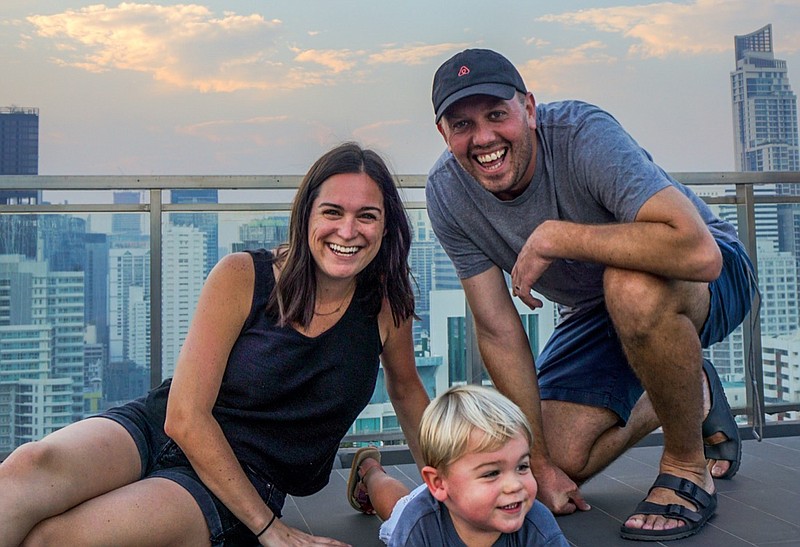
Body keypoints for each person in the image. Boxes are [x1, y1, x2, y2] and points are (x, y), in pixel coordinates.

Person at [0, 142, 431, 547]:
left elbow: (408, 392)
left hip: (242, 479)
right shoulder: (243, 275)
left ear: (386, 225)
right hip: (158, 430)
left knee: (56, 539)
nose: (348, 229)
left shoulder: (386, 306)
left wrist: (449, 482)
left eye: (367, 216)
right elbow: (184, 416)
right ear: (306, 217)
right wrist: (270, 531)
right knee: (26, 468)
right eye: (332, 211)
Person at [425, 48, 758, 542]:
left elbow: (698, 253)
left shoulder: (582, 135)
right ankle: (694, 387)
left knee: (630, 283)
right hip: (599, 309)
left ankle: (688, 465)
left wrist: (557, 236)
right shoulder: (447, 192)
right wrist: (535, 460)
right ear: (444, 135)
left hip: (709, 274)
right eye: (462, 125)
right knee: (552, 460)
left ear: (530, 110)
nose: (484, 138)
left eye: (497, 115)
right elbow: (497, 327)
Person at [346, 384, 568, 547]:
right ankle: (370, 470)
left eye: (522, 467)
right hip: (424, 507)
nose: (515, 486)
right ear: (439, 483)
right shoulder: (417, 526)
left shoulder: (537, 524)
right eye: (492, 473)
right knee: (395, 506)